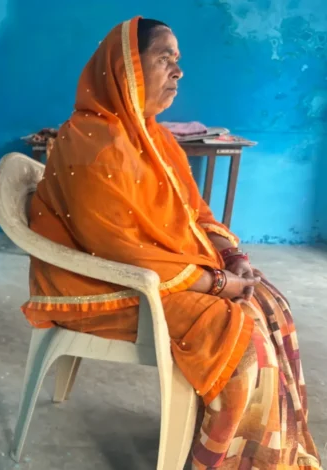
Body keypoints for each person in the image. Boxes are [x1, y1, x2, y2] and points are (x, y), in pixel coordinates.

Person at [23, 17, 321, 469]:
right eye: (165, 58)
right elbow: (118, 250)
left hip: (153, 272)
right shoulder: (90, 142)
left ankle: (266, 453)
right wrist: (216, 284)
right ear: (126, 67)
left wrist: (231, 257)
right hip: (103, 283)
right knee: (240, 339)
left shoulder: (155, 137)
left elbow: (195, 211)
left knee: (268, 303)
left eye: (177, 60)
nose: (178, 71)